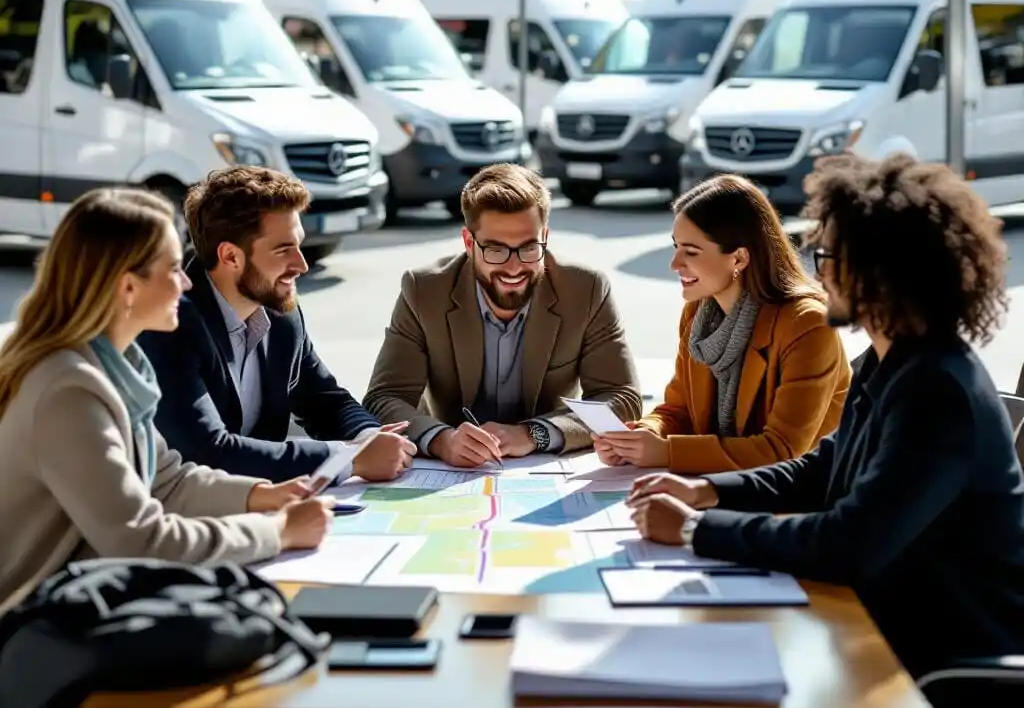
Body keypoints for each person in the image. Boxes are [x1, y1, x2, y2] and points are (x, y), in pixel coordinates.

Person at [626, 153, 1024, 680]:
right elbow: (820, 467)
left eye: (828, 256)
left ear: (880, 272)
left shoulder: (937, 391)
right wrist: (707, 491)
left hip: (941, 665)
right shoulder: (893, 360)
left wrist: (696, 529)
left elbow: (847, 543)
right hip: (876, 626)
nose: (819, 272)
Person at [0, 188, 333, 614]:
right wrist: (277, 532)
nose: (187, 282)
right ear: (128, 287)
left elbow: (168, 481)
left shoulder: (118, 364)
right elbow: (140, 540)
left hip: (81, 608)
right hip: (32, 625)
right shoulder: (68, 391)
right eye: (174, 269)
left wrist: (261, 495)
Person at [141, 167, 414, 484]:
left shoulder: (281, 313)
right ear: (230, 256)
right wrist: (346, 459)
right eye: (283, 250)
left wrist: (369, 436)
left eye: (299, 245)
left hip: (264, 502)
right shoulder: (169, 322)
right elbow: (206, 452)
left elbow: (325, 400)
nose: (302, 265)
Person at [363, 163, 641, 466]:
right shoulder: (424, 290)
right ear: (469, 243)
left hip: (546, 467)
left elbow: (621, 398)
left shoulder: (586, 289)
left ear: (545, 237)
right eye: (496, 250)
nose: (513, 268)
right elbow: (384, 398)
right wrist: (442, 441)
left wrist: (534, 434)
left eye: (528, 248)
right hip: (449, 470)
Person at [593, 175, 850, 473]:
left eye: (691, 252)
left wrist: (666, 452)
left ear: (738, 258)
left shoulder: (808, 324)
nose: (674, 264)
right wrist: (641, 435)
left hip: (805, 493)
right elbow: (679, 410)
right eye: (676, 247)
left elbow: (782, 449)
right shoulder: (698, 314)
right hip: (723, 484)